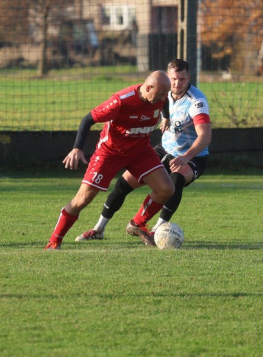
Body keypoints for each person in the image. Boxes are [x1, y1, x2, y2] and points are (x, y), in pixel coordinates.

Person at [76, 58, 211, 242]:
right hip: (164, 150)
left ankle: (155, 231)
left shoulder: (197, 101)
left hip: (192, 156)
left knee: (176, 179)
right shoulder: (162, 92)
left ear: (189, 78)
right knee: (124, 183)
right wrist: (165, 118)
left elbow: (205, 137)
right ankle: (98, 229)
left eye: (182, 80)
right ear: (167, 77)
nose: (177, 84)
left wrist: (186, 157)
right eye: (173, 79)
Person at [44, 71, 175, 250]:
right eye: (159, 94)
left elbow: (165, 101)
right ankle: (54, 240)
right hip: (110, 152)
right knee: (83, 199)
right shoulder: (121, 101)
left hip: (140, 151)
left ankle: (137, 224)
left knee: (166, 188)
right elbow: (87, 119)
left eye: (164, 95)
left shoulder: (160, 97)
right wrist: (77, 148)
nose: (162, 98)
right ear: (148, 87)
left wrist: (166, 117)